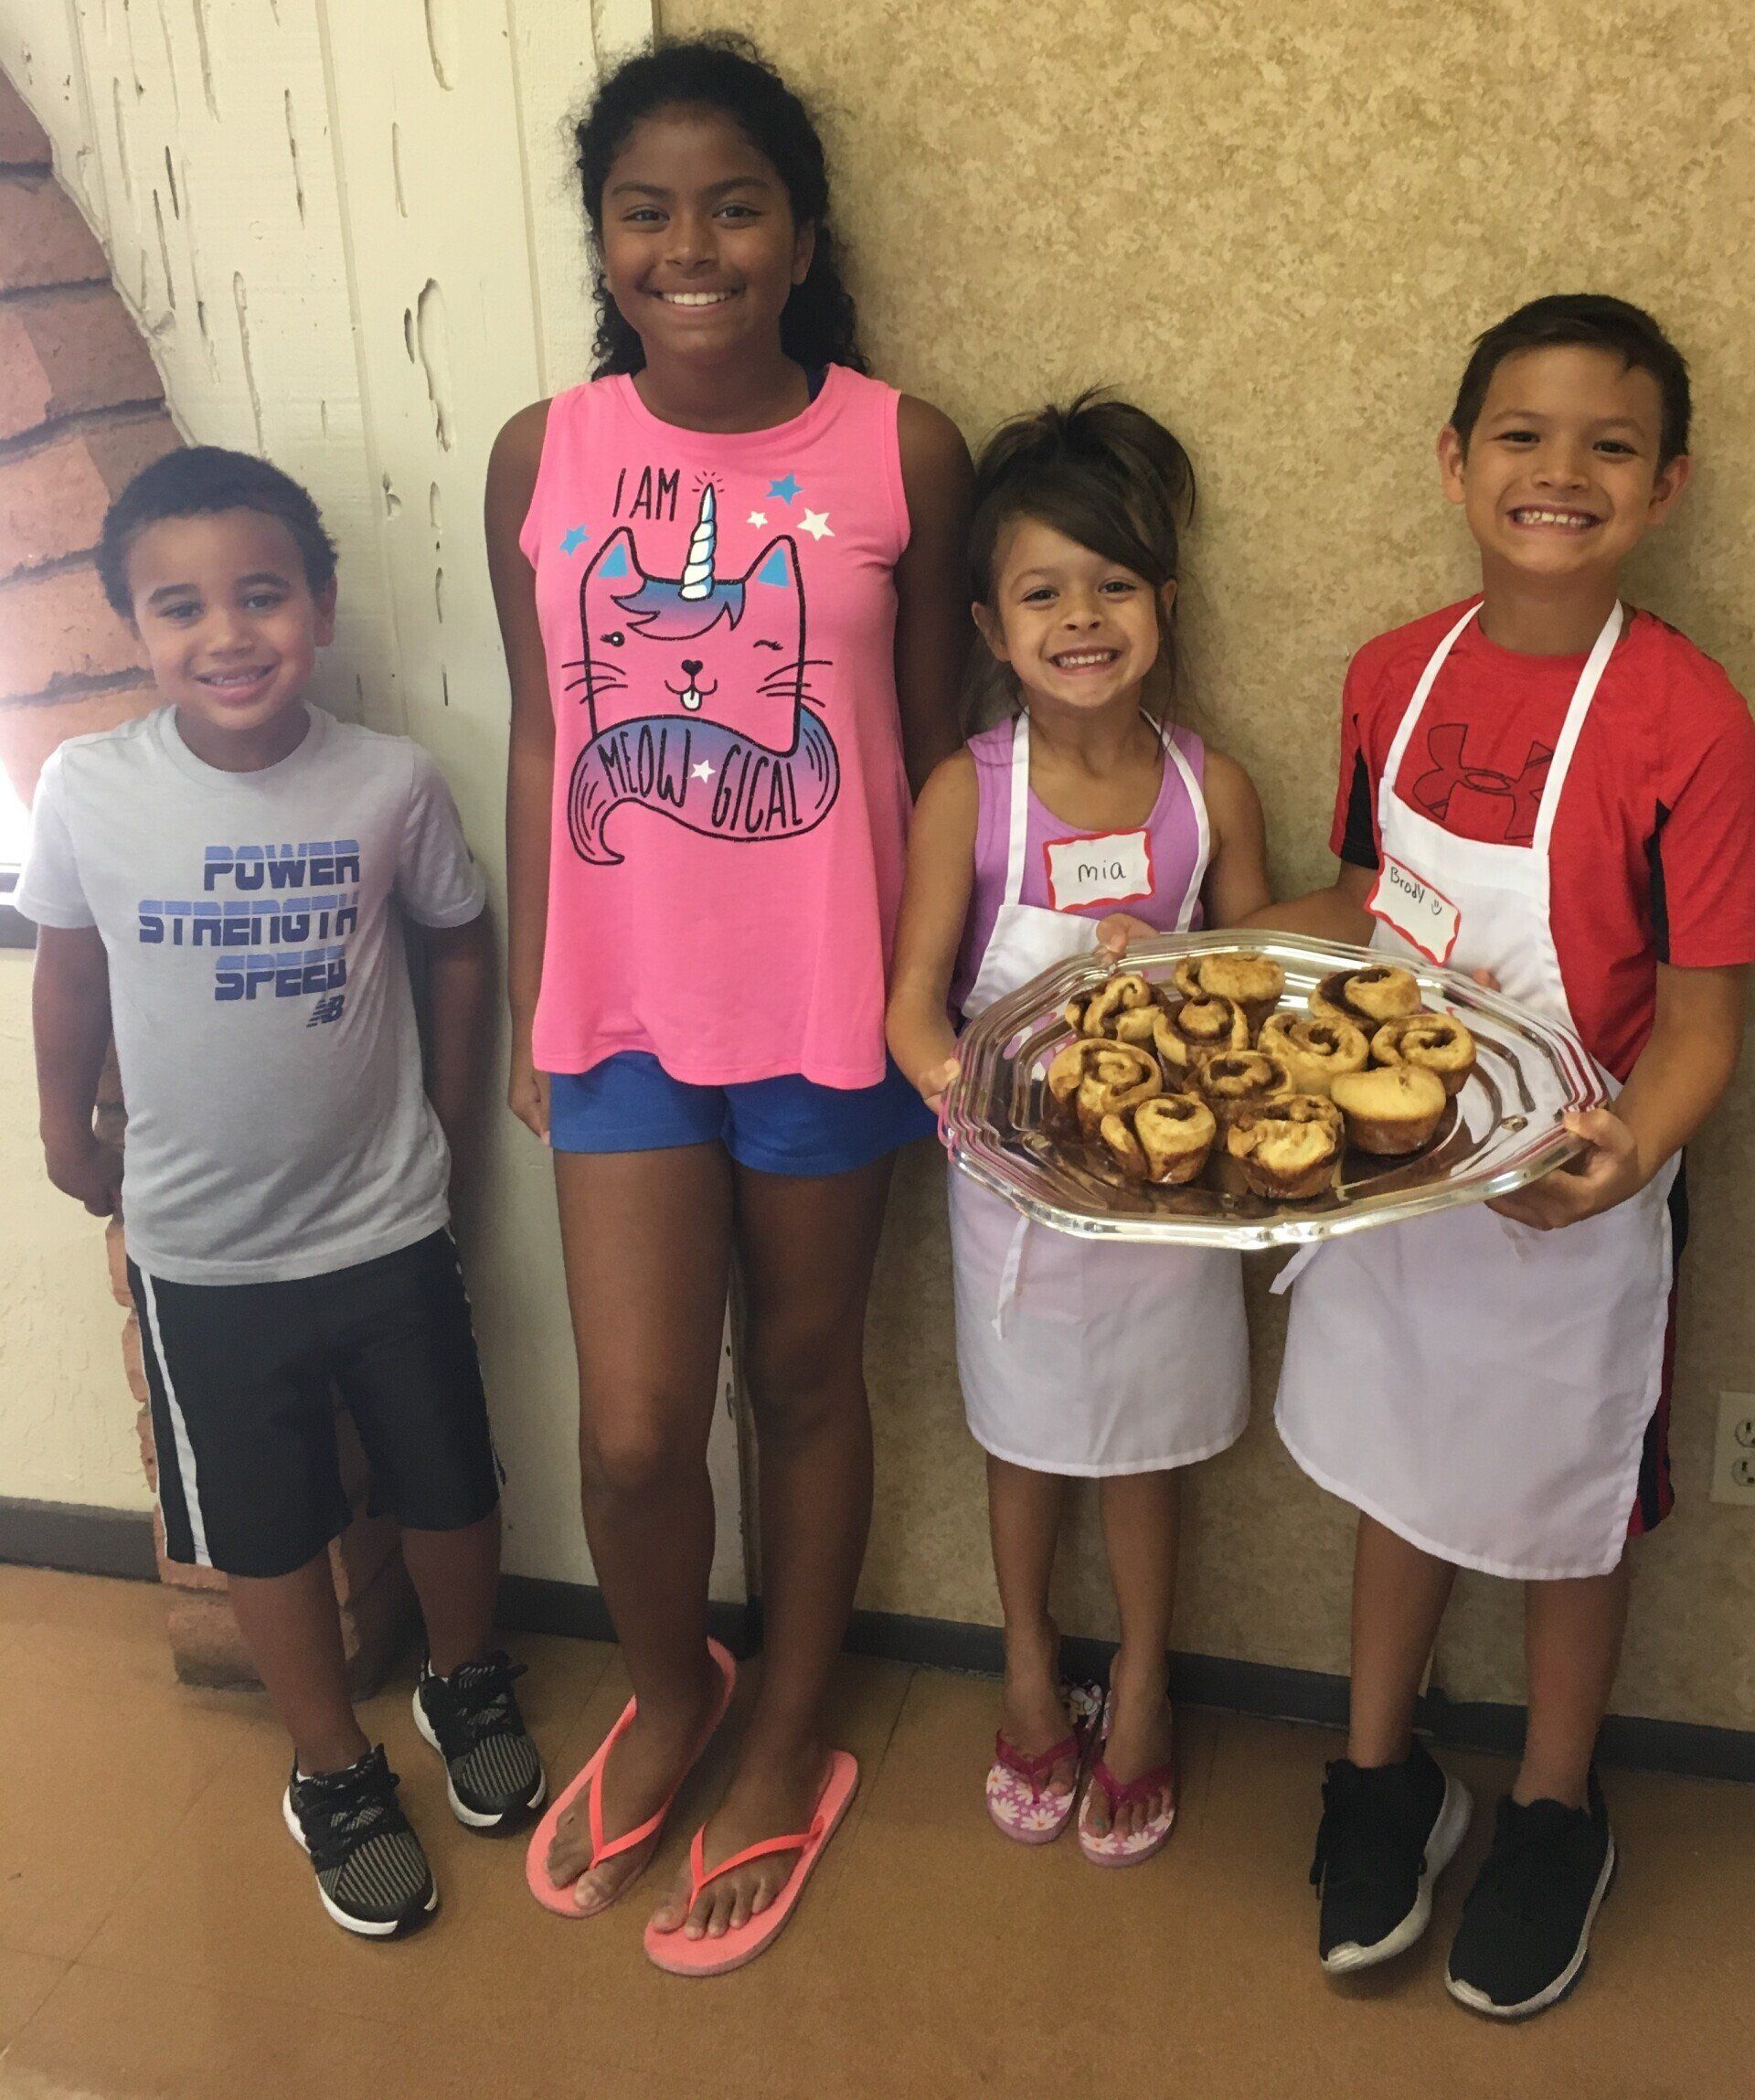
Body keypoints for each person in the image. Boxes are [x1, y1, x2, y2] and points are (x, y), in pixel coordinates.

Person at [485, 36, 971, 1975]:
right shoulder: (549, 448)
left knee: (799, 1380)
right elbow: (539, 742)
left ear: (800, 233)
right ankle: (671, 1693)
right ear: (604, 241)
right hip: (617, 1012)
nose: (691, 246)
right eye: (646, 211)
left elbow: (935, 749)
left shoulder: (896, 445)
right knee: (628, 1433)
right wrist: (540, 990)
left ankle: (785, 1728)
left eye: (735, 204)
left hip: (835, 1009)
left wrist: (938, 1001)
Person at [1249, 295, 1755, 2017]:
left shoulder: (1691, 720)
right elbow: (1369, 906)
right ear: (1455, 462)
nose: (1561, 474)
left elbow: (1700, 1022)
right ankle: (1383, 1771)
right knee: (1401, 1464)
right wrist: (1199, 954)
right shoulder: (1396, 672)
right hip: (1393, 1180)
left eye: (1609, 445)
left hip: (1572, 1196)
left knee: (1560, 1506)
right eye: (1521, 439)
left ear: (1667, 484)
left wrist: (1626, 1164)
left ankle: (1553, 1806)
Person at [16, 448, 540, 1939]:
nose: (227, 633)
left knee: (447, 1479)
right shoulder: (94, 789)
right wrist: (62, 1126)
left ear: (318, 604)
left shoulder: (388, 781)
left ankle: (466, 1676)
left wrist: (447, 1117)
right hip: (202, 1254)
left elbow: (456, 938)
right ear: (132, 625)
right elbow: (70, 965)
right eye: (179, 606)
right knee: (261, 1520)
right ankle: (333, 1765)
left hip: (384, 1226)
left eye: (262, 595)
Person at [888, 393, 1269, 1863]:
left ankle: (1147, 1688)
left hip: (1169, 1203)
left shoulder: (1208, 787)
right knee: (1030, 1439)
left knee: (1148, 1446)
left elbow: (1252, 992)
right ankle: (1031, 1667)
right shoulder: (967, 793)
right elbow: (912, 1003)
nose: (1083, 618)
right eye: (1044, 591)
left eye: (1114, 585)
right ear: (991, 625)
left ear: (1164, 605)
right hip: (1013, 1197)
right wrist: (965, 1105)